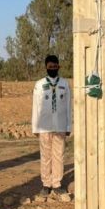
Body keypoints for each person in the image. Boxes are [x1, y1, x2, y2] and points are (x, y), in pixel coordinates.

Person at [32, 54, 72, 197]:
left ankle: (57, 184)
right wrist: (35, 128)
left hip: (60, 125)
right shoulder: (39, 84)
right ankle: (46, 184)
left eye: (55, 67)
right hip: (44, 126)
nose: (53, 69)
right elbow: (35, 106)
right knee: (45, 155)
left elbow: (68, 106)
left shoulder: (65, 84)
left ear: (58, 67)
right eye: (50, 67)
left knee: (58, 155)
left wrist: (68, 127)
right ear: (46, 67)